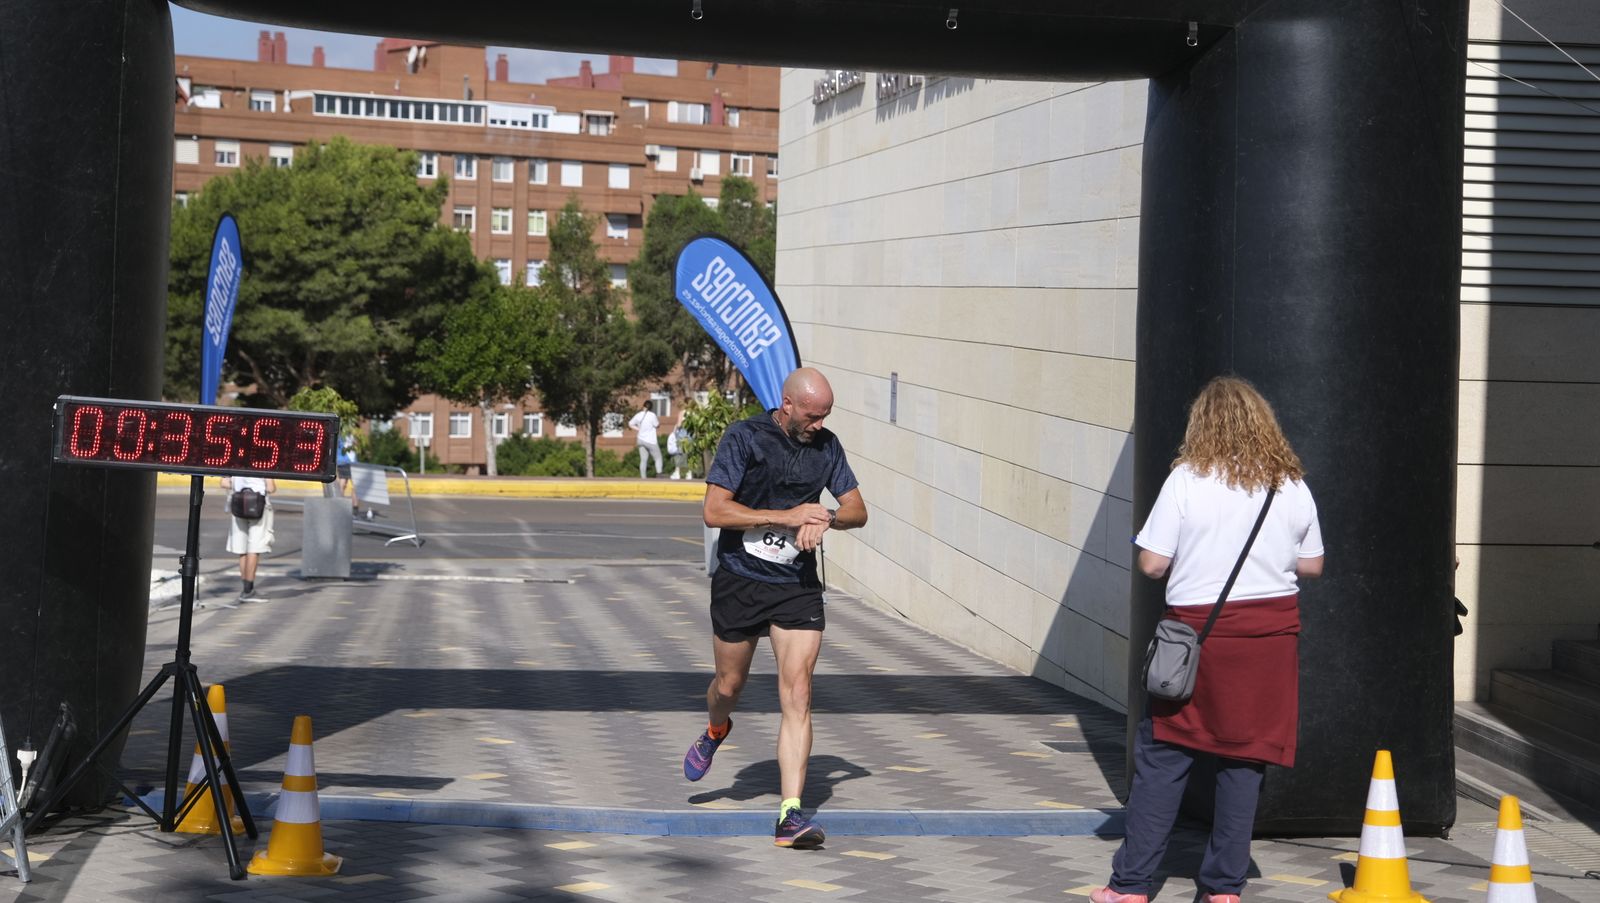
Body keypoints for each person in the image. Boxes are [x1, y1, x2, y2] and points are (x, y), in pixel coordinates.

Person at [1092, 375, 1323, 903]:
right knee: (1244, 763)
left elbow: (1153, 564)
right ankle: (1223, 890)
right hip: (1268, 642)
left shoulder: (1187, 480)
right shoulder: (1290, 485)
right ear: (1265, 424)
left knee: (1163, 758)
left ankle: (1130, 887)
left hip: (1198, 637)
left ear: (1201, 425)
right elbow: (1312, 564)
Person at [682, 367, 868, 850]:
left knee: (799, 692)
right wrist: (786, 516)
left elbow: (858, 510)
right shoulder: (745, 437)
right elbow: (715, 511)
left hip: (796, 585)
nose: (818, 425)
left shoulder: (827, 447)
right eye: (811, 416)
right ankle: (716, 728)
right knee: (728, 686)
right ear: (787, 405)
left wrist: (826, 517)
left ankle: (790, 814)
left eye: (825, 416)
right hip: (740, 580)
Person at [221, 475, 277, 603]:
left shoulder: (235, 464)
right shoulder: (264, 465)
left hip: (238, 503)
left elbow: (224, 483)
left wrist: (240, 484)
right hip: (258, 504)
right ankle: (248, 590)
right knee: (254, 548)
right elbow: (271, 487)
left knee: (242, 549)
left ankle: (245, 588)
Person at [629, 400, 663, 479]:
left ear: (643, 406)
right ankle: (659, 474)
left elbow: (630, 424)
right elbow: (657, 425)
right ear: (651, 408)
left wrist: (638, 429)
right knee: (658, 458)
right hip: (651, 441)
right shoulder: (652, 415)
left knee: (643, 460)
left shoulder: (638, 415)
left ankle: (643, 478)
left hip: (640, 439)